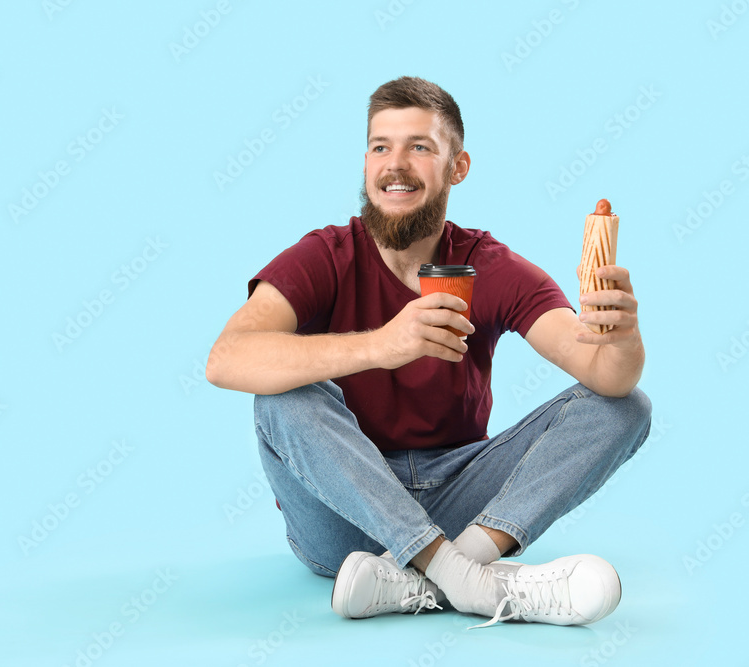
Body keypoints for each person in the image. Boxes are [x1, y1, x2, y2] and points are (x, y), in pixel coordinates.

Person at [206, 76, 651, 629]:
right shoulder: (325, 255)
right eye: (380, 147)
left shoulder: (489, 266)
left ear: (457, 167)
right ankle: (470, 581)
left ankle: (436, 571)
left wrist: (622, 339)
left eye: (419, 147)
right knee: (279, 398)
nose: (395, 164)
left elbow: (604, 376)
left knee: (627, 405)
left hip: (459, 497)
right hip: (342, 516)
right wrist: (380, 345)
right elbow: (226, 358)